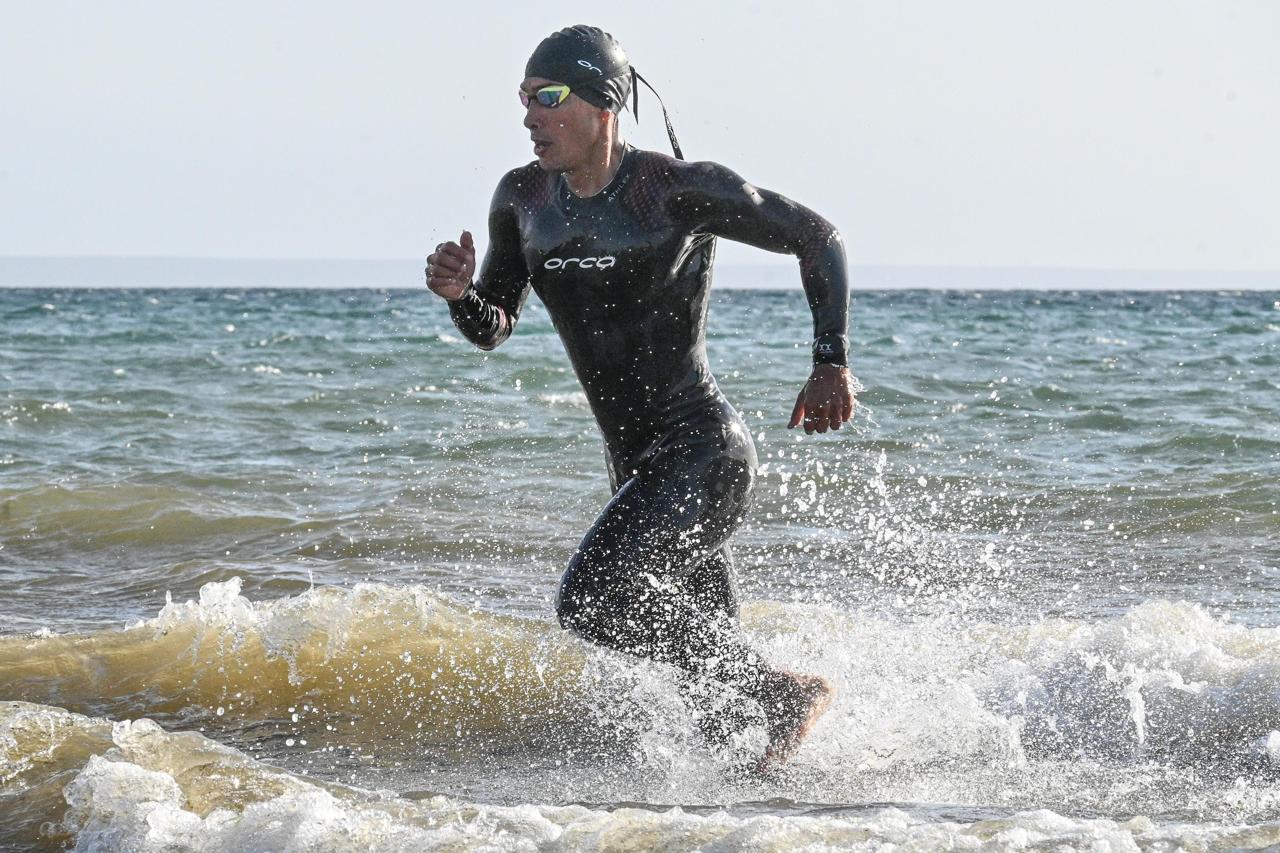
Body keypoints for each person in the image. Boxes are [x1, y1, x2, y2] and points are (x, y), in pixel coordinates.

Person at [425, 25, 856, 771]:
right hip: (635, 470)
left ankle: (782, 692)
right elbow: (496, 324)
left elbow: (816, 236)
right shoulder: (522, 200)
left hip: (702, 457)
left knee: (591, 601)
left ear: (604, 104)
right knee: (724, 732)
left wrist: (830, 361)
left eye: (549, 98)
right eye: (524, 100)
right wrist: (463, 295)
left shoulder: (672, 189)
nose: (530, 116)